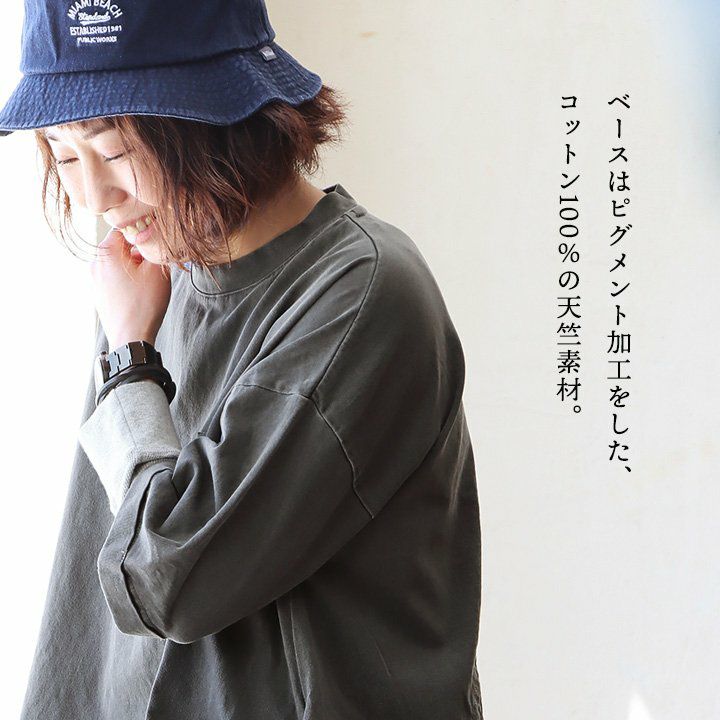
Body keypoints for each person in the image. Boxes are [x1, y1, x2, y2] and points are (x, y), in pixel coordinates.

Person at [0, 1, 484, 719]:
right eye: (64, 155)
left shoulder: (360, 296)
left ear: (215, 113)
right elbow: (93, 583)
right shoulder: (152, 275)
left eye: (116, 150)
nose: (95, 199)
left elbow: (168, 579)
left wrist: (130, 362)